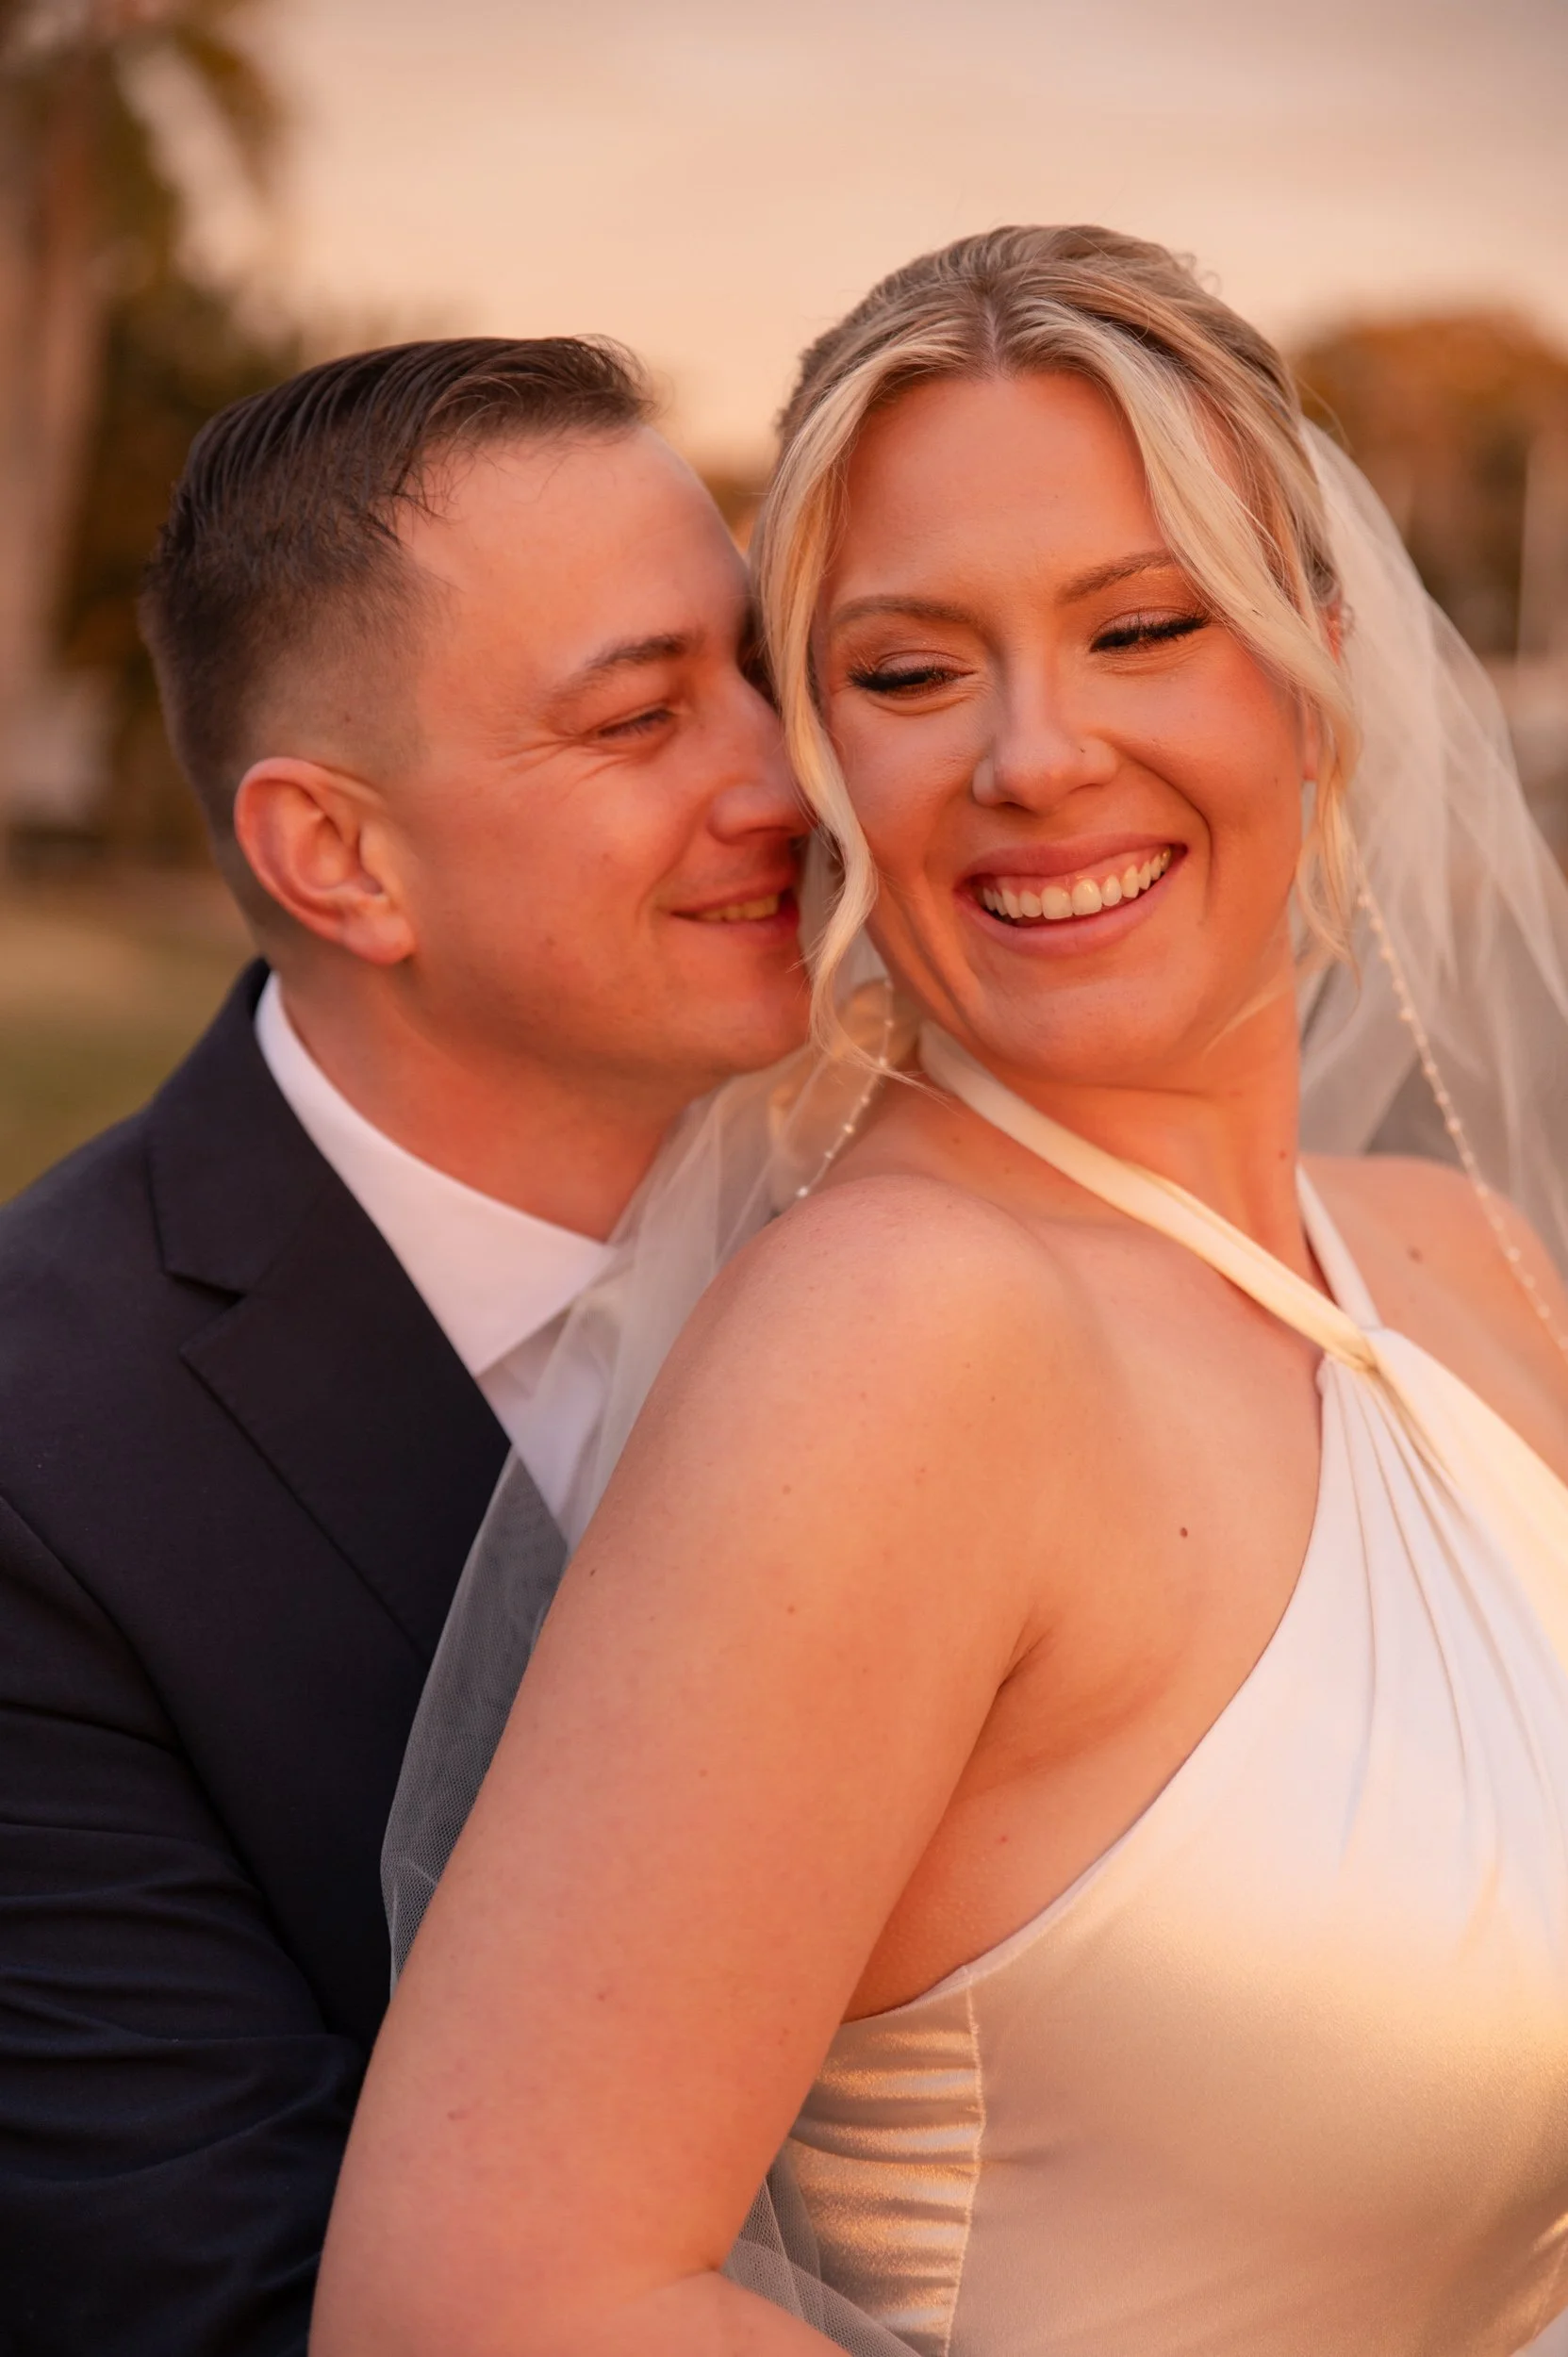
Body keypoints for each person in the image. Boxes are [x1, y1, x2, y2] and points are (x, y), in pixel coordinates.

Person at [315, 231, 1568, 2357]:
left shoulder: (1467, 1265)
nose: (1035, 754)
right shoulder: (895, 1347)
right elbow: (482, 2306)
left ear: (1323, 664)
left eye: (1146, 626)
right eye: (906, 672)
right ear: (820, 757)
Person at [0, 335, 808, 2355]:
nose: (785, 783)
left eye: (764, 671)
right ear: (336, 855)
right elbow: (223, 2296)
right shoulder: (41, 1460)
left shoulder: (946, 1203)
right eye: (641, 716)